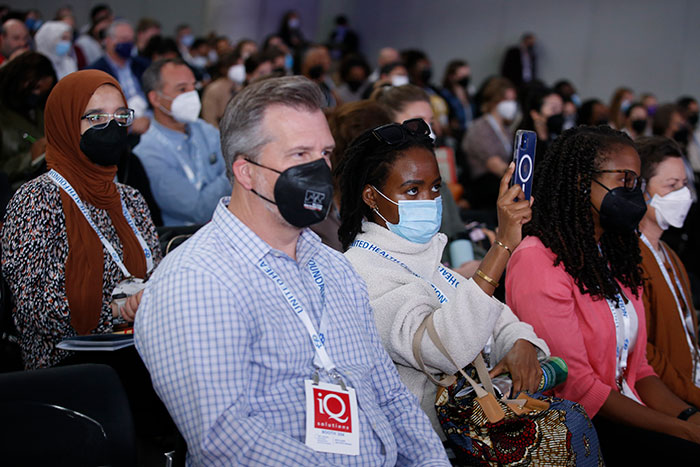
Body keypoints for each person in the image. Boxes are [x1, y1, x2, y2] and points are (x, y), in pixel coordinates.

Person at [134, 75, 449, 465]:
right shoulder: (198, 279)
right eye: (300, 155)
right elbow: (224, 440)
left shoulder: (335, 268)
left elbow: (391, 397)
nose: (318, 169)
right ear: (246, 171)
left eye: (325, 154)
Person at [336, 119, 602, 463]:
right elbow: (445, 347)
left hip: (471, 436)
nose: (430, 200)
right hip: (424, 450)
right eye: (413, 191)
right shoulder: (361, 270)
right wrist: (503, 245)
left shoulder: (427, 258)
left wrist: (520, 343)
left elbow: (500, 317)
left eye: (435, 188)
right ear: (372, 196)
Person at [506, 125, 700, 464]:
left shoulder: (614, 253)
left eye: (636, 182)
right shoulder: (537, 259)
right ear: (582, 182)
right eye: (623, 180)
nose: (632, 192)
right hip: (581, 427)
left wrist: (686, 417)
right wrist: (682, 430)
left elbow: (639, 369)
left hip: (628, 408)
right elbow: (577, 386)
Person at [1, 70, 160, 370]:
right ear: (65, 125)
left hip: (141, 348)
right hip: (68, 367)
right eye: (96, 118)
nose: (111, 127)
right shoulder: (36, 200)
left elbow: (158, 274)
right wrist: (116, 310)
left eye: (120, 116)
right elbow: (35, 309)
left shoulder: (130, 199)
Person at [636, 136, 700, 408]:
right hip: (673, 396)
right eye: (672, 186)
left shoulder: (668, 253)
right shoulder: (632, 257)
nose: (682, 196)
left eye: (684, 185)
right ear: (641, 190)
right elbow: (646, 353)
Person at [134, 58, 229, 226]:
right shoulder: (148, 153)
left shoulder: (203, 129)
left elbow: (232, 160)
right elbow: (197, 210)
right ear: (155, 98)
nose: (192, 95)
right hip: (185, 240)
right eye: (182, 89)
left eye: (194, 86)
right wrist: (235, 174)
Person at [0, 52, 56, 187]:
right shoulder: (5, 114)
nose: (37, 95)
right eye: (35, 88)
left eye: (43, 91)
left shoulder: (39, 108)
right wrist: (31, 156)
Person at [462, 77, 518, 209]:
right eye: (507, 100)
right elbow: (495, 165)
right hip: (484, 192)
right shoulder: (480, 128)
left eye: (513, 100)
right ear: (494, 101)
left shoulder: (506, 130)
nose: (512, 104)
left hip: (499, 187)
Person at [88, 20, 151, 132]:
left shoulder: (144, 65)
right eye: (123, 39)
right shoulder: (94, 72)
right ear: (108, 41)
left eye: (131, 40)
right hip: (117, 125)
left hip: (149, 120)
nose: (128, 43)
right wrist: (130, 125)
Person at [200, 51, 241, 128]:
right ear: (224, 68)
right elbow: (209, 119)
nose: (239, 69)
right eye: (235, 65)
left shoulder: (241, 86)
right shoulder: (213, 89)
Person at [439, 59, 473, 144]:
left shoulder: (469, 94)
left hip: (469, 136)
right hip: (454, 138)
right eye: (462, 75)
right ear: (452, 76)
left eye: (467, 75)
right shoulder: (444, 95)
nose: (465, 78)